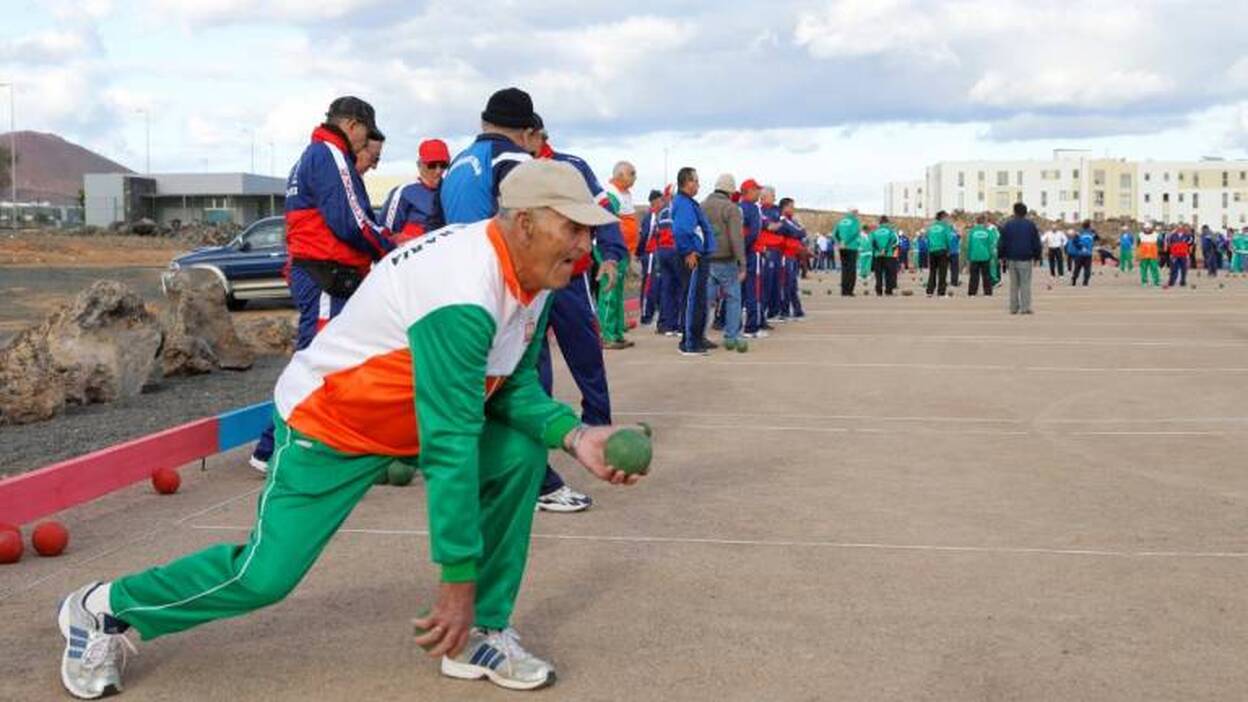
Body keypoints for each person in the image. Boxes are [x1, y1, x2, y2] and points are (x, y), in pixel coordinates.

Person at [54, 160, 645, 700]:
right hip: (331, 424)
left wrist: (573, 435)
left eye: (589, 231)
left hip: (406, 419)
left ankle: (479, 636)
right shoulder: (464, 290)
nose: (586, 245)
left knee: (518, 450)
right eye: (573, 229)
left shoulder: (531, 276)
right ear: (523, 223)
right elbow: (451, 443)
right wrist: (455, 582)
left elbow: (508, 386)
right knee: (264, 577)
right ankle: (104, 609)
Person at [250, 96, 395, 474]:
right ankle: (274, 448)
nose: (365, 145)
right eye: (365, 136)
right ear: (352, 125)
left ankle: (289, 444)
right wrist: (391, 246)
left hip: (320, 272)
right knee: (316, 363)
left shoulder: (312, 156)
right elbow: (351, 220)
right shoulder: (330, 154)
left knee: (323, 361)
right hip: (327, 274)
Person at [531, 120, 628, 511]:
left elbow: (602, 210)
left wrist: (612, 255)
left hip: (570, 278)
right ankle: (538, 463)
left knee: (587, 356)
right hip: (531, 283)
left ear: (540, 137)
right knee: (534, 374)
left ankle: (600, 431)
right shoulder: (513, 168)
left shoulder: (572, 167)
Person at [440, 87, 542, 222]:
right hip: (489, 242)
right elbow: (529, 224)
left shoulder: (458, 161)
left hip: (455, 241)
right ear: (527, 132)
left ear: (484, 124)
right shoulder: (514, 159)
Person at [672, 167, 717, 355]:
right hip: (692, 257)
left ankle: (698, 336)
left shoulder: (690, 203)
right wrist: (688, 251)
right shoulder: (683, 203)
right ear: (687, 182)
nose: (698, 185)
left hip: (701, 256)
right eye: (696, 181)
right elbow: (682, 229)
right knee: (692, 300)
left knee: (700, 300)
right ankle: (689, 342)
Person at [702, 173, 746, 348]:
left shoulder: (702, 206)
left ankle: (700, 334)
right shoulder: (731, 208)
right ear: (730, 190)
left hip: (706, 259)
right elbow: (736, 237)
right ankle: (731, 336)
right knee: (733, 298)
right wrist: (742, 263)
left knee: (705, 300)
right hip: (726, 260)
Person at [380, 138, 449, 243]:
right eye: (432, 165)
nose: (438, 171)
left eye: (443, 165)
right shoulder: (404, 192)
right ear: (419, 165)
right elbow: (385, 234)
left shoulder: (449, 190)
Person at [600, 161, 638, 348]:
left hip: (623, 251)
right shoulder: (610, 195)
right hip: (610, 252)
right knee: (609, 291)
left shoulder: (626, 196)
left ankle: (617, 332)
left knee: (618, 292)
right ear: (620, 175)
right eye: (632, 173)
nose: (635, 177)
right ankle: (607, 335)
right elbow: (609, 225)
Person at [998, 202, 1042, 315]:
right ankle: (1025, 307)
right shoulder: (1030, 225)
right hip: (1026, 258)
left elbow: (1002, 242)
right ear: (1025, 212)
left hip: (1011, 258)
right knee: (1025, 283)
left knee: (1014, 284)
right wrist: (1038, 256)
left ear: (1014, 212)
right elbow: (1036, 242)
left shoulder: (1008, 225)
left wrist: (1001, 256)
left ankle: (1013, 308)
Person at [738, 178, 767, 339]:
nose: (758, 193)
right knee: (753, 290)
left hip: (737, 253)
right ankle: (751, 327)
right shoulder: (753, 209)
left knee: (737, 292)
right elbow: (754, 232)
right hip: (751, 253)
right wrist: (745, 249)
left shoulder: (736, 208)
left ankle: (735, 326)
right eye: (756, 190)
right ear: (748, 191)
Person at [635, 189, 663, 325]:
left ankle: (653, 313)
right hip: (650, 254)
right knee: (648, 285)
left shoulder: (661, 215)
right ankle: (646, 314)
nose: (662, 203)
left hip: (659, 254)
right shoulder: (650, 217)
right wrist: (639, 253)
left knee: (657, 284)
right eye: (660, 200)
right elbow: (645, 236)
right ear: (655, 202)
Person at [759, 187, 786, 318]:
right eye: (772, 195)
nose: (775, 198)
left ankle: (774, 311)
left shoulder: (777, 210)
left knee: (777, 281)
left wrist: (779, 225)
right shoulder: (759, 210)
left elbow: (785, 226)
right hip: (767, 250)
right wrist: (779, 225)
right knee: (767, 282)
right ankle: (762, 312)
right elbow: (771, 226)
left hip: (778, 251)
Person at [924, 211, 954, 297]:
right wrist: (949, 249)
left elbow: (927, 238)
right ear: (942, 217)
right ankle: (941, 292)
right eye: (946, 218)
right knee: (942, 272)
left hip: (932, 250)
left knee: (932, 271)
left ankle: (929, 291)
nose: (947, 220)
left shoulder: (931, 227)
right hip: (942, 250)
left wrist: (930, 248)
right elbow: (948, 238)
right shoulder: (945, 227)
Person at [833, 208, 861, 296]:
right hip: (851, 247)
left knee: (844, 269)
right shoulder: (855, 221)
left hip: (842, 248)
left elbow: (834, 234)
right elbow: (855, 233)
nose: (858, 214)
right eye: (857, 212)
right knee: (851, 269)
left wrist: (839, 242)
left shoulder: (841, 221)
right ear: (854, 213)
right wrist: (846, 242)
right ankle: (849, 290)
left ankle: (843, 290)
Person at [966, 215, 995, 297]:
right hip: (985, 256)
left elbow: (969, 245)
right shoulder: (988, 231)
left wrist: (968, 256)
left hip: (974, 256)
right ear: (984, 221)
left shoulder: (972, 231)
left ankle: (972, 292)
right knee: (986, 275)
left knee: (974, 276)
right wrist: (991, 256)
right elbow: (991, 245)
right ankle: (988, 292)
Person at [870, 215, 899, 296]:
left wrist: (879, 250)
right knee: (888, 274)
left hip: (877, 255)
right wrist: (885, 249)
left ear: (880, 222)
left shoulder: (874, 232)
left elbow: (872, 242)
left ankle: (878, 291)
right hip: (888, 255)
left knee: (878, 274)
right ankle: (888, 291)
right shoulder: (891, 231)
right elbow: (894, 241)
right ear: (887, 222)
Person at [1070, 221, 1095, 286]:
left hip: (1084, 254)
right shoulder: (1082, 233)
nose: (1092, 226)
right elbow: (1074, 241)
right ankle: (1078, 280)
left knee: (1081, 268)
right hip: (1083, 254)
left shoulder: (1089, 233)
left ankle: (1081, 281)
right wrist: (1081, 248)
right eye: (1091, 225)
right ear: (1089, 226)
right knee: (1083, 268)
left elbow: (1074, 241)